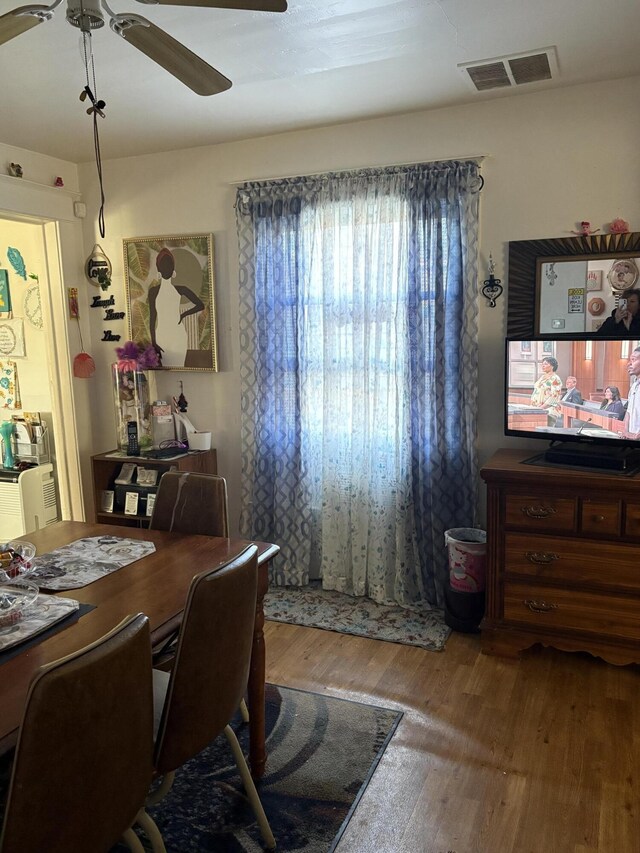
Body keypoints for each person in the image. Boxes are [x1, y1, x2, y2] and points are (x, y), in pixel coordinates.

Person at [149, 247, 204, 367]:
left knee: (179, 367)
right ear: (159, 269)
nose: (166, 268)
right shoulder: (153, 292)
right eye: (164, 265)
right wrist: (154, 342)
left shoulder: (181, 290)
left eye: (168, 265)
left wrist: (184, 314)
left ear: (173, 269)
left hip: (178, 336)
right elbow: (152, 318)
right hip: (161, 336)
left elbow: (200, 305)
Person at [530, 356, 563, 420]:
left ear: (552, 366)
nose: (543, 366)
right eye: (542, 364)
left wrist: (542, 408)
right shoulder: (542, 377)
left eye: (545, 364)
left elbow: (554, 397)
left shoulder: (555, 379)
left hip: (548, 411)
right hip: (537, 409)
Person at [621, 347, 640, 438]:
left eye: (633, 359)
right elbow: (628, 411)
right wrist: (625, 431)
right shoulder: (634, 385)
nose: (629, 363)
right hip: (632, 438)